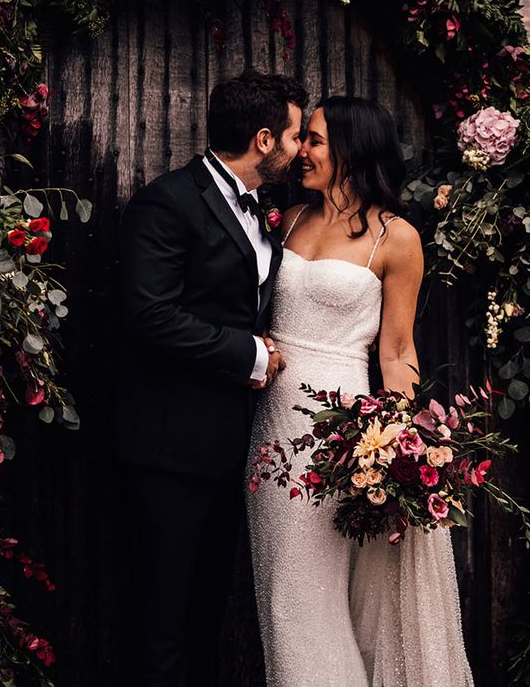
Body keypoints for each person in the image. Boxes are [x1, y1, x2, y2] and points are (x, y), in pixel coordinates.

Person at [246, 96, 474, 686]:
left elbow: (397, 353)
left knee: (326, 592)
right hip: (273, 424)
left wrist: (403, 446)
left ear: (352, 148)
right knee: (284, 594)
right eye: (305, 139)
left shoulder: (397, 239)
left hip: (344, 429)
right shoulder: (290, 219)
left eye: (316, 140)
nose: (302, 152)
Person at [117, 69, 308, 686]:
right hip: (169, 450)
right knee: (162, 621)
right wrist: (250, 355)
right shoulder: (167, 201)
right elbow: (148, 314)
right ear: (263, 139)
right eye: (295, 135)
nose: (300, 148)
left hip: (230, 447)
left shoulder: (266, 210)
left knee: (205, 615)